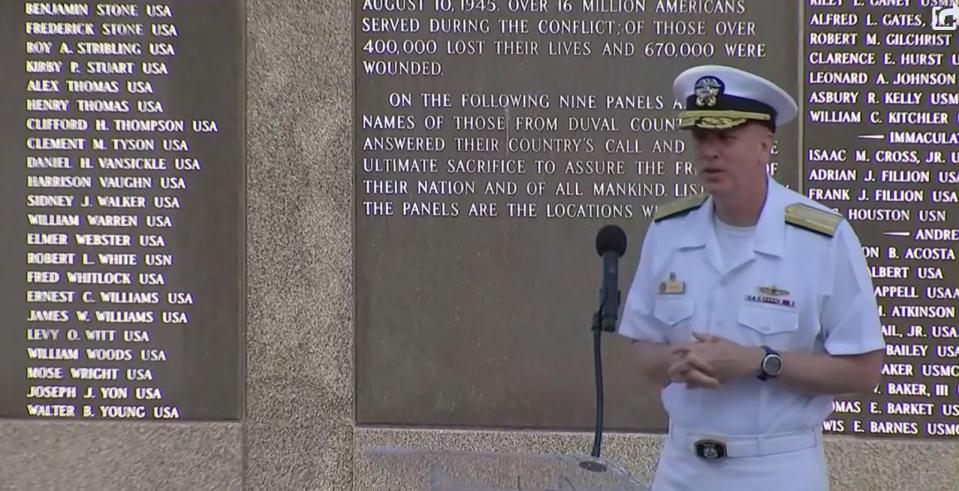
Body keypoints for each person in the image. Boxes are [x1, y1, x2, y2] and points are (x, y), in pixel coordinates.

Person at [617, 65, 885, 491]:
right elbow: (641, 348)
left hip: (776, 467)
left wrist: (759, 362)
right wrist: (674, 362)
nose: (709, 152)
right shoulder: (669, 231)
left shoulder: (821, 238)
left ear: (764, 145)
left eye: (725, 137)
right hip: (682, 467)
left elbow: (863, 371)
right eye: (701, 138)